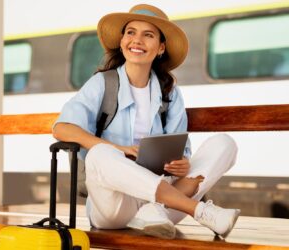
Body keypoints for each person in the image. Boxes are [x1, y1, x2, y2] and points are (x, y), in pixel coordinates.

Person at [53, 4, 240, 239]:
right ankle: (200, 211)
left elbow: (181, 153)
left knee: (224, 144)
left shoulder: (170, 92)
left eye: (148, 35)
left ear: (161, 47)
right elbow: (62, 128)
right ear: (122, 41)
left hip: (161, 209)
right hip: (113, 209)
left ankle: (154, 210)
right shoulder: (103, 83)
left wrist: (182, 163)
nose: (137, 40)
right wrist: (118, 149)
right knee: (100, 154)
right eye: (131, 32)